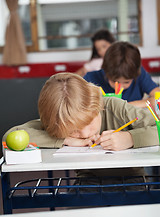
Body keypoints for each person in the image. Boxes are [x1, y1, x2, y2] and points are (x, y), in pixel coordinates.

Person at [3, 73, 159, 191]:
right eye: (74, 131)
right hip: (87, 184)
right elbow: (11, 135)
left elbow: (156, 126)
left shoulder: (115, 108)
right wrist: (64, 140)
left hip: (134, 181)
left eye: (89, 122)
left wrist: (130, 138)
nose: (85, 133)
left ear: (97, 105)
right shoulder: (60, 120)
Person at [84, 41, 160, 108]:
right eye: (115, 82)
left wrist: (126, 107)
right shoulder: (91, 79)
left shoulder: (139, 74)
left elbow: (158, 97)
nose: (120, 88)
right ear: (105, 71)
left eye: (126, 82)